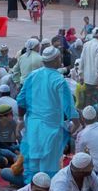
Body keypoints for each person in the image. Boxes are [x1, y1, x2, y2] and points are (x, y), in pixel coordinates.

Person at [17, 46, 78, 176]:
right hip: (51, 130)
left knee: (33, 168)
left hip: (33, 128)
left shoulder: (32, 76)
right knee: (49, 170)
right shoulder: (59, 80)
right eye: (59, 58)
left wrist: (21, 120)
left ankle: (32, 187)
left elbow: (21, 101)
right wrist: (76, 124)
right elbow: (69, 108)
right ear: (55, 60)